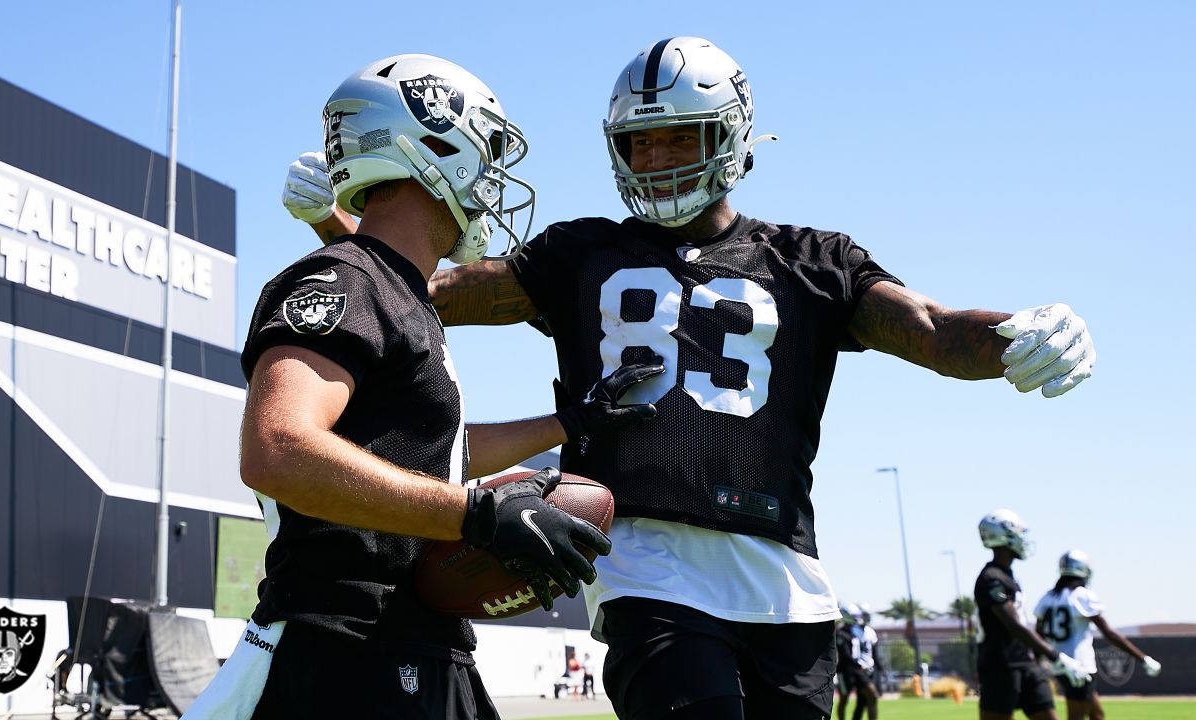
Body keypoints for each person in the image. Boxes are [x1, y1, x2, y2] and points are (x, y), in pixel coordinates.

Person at [285, 36, 1096, 720]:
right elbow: (419, 291)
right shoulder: (578, 254)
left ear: (732, 137)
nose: (658, 157)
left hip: (784, 575)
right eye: (642, 141)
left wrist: (1018, 337)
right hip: (644, 560)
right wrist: (339, 221)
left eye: (680, 137)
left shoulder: (813, 260)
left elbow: (934, 329)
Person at [182, 53, 673, 720]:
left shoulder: (405, 299)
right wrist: (476, 515)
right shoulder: (344, 280)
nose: (494, 178)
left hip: (410, 640)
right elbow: (277, 448)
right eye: (488, 151)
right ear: (435, 146)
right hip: (346, 647)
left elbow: (421, 456)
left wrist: (570, 424)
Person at [974, 510, 1092, 720]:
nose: (1022, 539)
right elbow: (1014, 626)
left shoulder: (1007, 576)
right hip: (1000, 667)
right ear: (1005, 536)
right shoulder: (991, 578)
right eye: (1018, 533)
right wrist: (1056, 656)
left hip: (1025, 664)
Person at [1034, 550, 1162, 720]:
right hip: (1080, 667)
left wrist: (1036, 664)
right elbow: (1109, 633)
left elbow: (1038, 635)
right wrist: (1142, 658)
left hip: (1059, 665)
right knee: (1076, 717)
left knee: (1097, 715)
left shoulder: (1047, 597)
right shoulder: (1081, 596)